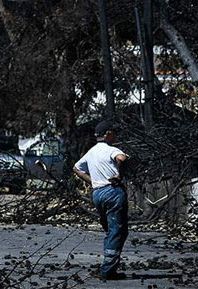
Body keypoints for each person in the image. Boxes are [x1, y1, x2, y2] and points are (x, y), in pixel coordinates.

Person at [72, 120, 129, 281]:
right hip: (112, 191)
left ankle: (109, 264)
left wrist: (92, 181)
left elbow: (76, 168)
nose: (115, 136)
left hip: (98, 193)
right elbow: (122, 158)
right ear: (108, 134)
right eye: (114, 133)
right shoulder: (111, 149)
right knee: (117, 231)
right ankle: (108, 270)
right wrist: (119, 175)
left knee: (110, 229)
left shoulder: (91, 152)